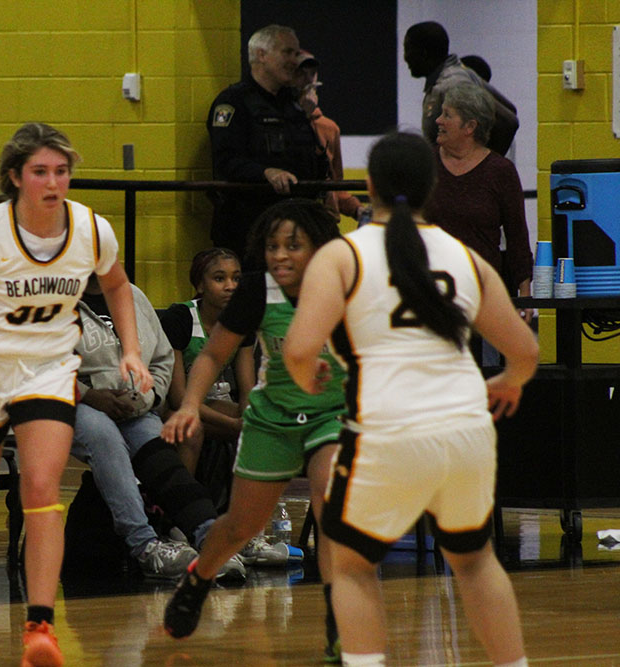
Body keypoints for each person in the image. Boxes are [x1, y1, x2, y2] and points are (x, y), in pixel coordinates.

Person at [283, 132, 538, 667]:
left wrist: (310, 375)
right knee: (473, 561)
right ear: (433, 187)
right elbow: (525, 350)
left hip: (386, 432)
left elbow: (300, 347)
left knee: (352, 565)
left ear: (368, 185)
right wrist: (509, 381)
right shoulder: (465, 257)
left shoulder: (344, 254)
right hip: (467, 432)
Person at [0, 122, 153, 667]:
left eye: (62, 171)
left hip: (48, 370)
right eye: (40, 172)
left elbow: (117, 285)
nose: (53, 182)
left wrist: (132, 350)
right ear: (14, 178)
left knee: (42, 485)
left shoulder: (92, 230)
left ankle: (40, 627)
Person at [161, 199, 341, 661]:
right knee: (241, 525)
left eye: (292, 246)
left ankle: (340, 625)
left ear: (318, 248)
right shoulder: (259, 290)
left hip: (330, 417)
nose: (279, 255)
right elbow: (211, 355)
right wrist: (190, 405)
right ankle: (200, 578)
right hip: (271, 419)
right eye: (273, 246)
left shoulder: (347, 285)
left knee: (333, 514)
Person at [71, 272, 248, 582]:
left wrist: (148, 396)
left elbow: (163, 358)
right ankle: (145, 545)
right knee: (105, 437)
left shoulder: (133, 296)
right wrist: (91, 396)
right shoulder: (55, 301)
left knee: (156, 443)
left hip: (135, 405)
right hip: (76, 403)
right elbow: (40, 365)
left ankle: (209, 536)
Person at [423, 83, 533, 363]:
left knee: (484, 377)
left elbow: (517, 235)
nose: (438, 120)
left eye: (447, 115)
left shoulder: (500, 172)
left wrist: (525, 296)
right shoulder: (425, 165)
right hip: (434, 296)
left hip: (483, 296)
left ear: (470, 126)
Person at [207, 24, 329, 265]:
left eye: (296, 54)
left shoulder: (293, 105)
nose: (294, 61)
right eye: (287, 52)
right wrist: (266, 173)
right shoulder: (234, 103)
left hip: (295, 224)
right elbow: (225, 161)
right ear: (261, 55)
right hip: (249, 228)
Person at [160, 247, 254, 476]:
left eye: (236, 278)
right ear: (200, 285)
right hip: (169, 407)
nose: (230, 286)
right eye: (220, 279)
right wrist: (231, 424)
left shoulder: (242, 320)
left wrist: (250, 419)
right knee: (191, 429)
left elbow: (247, 389)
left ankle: (240, 505)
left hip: (211, 401)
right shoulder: (179, 318)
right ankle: (180, 503)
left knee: (264, 428)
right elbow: (178, 398)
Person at [403, 21, 518, 156]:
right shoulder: (462, 73)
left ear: (423, 53)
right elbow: (510, 112)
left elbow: (509, 122)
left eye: (407, 49)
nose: (405, 57)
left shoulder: (452, 84)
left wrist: (484, 167)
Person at [290, 51, 366, 223]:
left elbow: (335, 185)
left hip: (324, 221)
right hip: (293, 216)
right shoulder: (282, 124)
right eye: (301, 73)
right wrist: (303, 116)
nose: (308, 79)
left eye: (312, 73)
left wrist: (358, 210)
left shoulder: (328, 128)